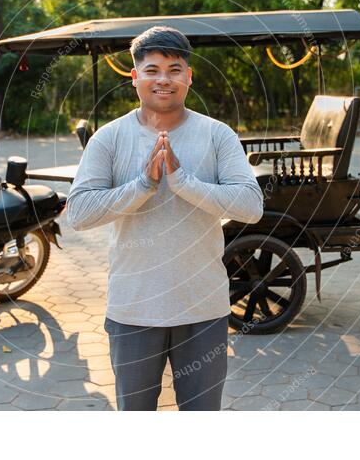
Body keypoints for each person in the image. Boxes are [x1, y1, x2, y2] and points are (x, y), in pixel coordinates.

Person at [66, 26, 264, 411]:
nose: (163, 79)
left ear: (188, 77)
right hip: (134, 310)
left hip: (202, 309)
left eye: (175, 69)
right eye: (152, 69)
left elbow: (250, 206)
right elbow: (79, 213)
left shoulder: (217, 135)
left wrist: (182, 180)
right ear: (134, 76)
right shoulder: (108, 138)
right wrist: (143, 184)